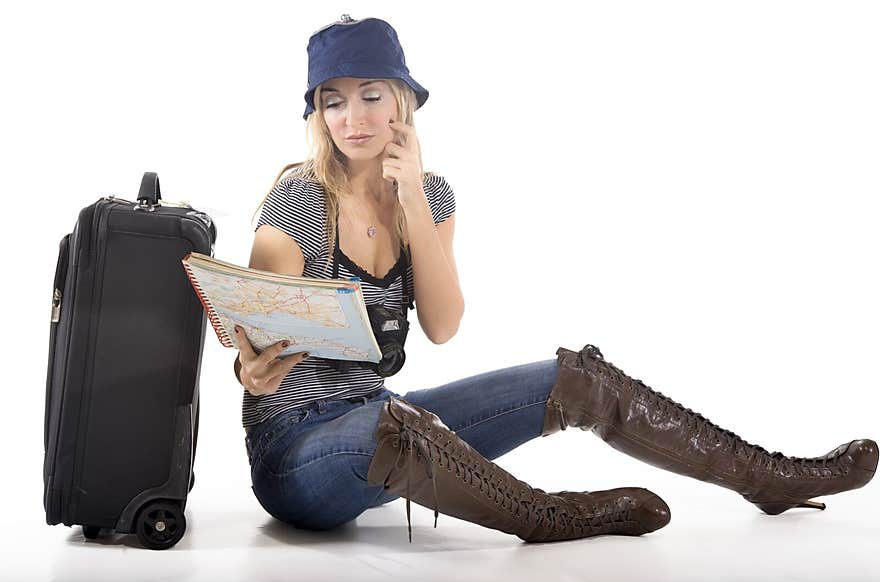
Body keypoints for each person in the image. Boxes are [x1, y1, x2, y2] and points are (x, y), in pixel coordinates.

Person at [234, 15, 878, 544]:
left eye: (371, 95)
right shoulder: (301, 196)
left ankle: (769, 479)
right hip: (296, 451)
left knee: (581, 377)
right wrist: (247, 366)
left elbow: (442, 325)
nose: (354, 118)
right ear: (317, 113)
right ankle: (551, 517)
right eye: (333, 101)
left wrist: (410, 203)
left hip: (380, 418)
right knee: (399, 424)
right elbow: (256, 329)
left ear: (402, 101)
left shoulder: (429, 196)